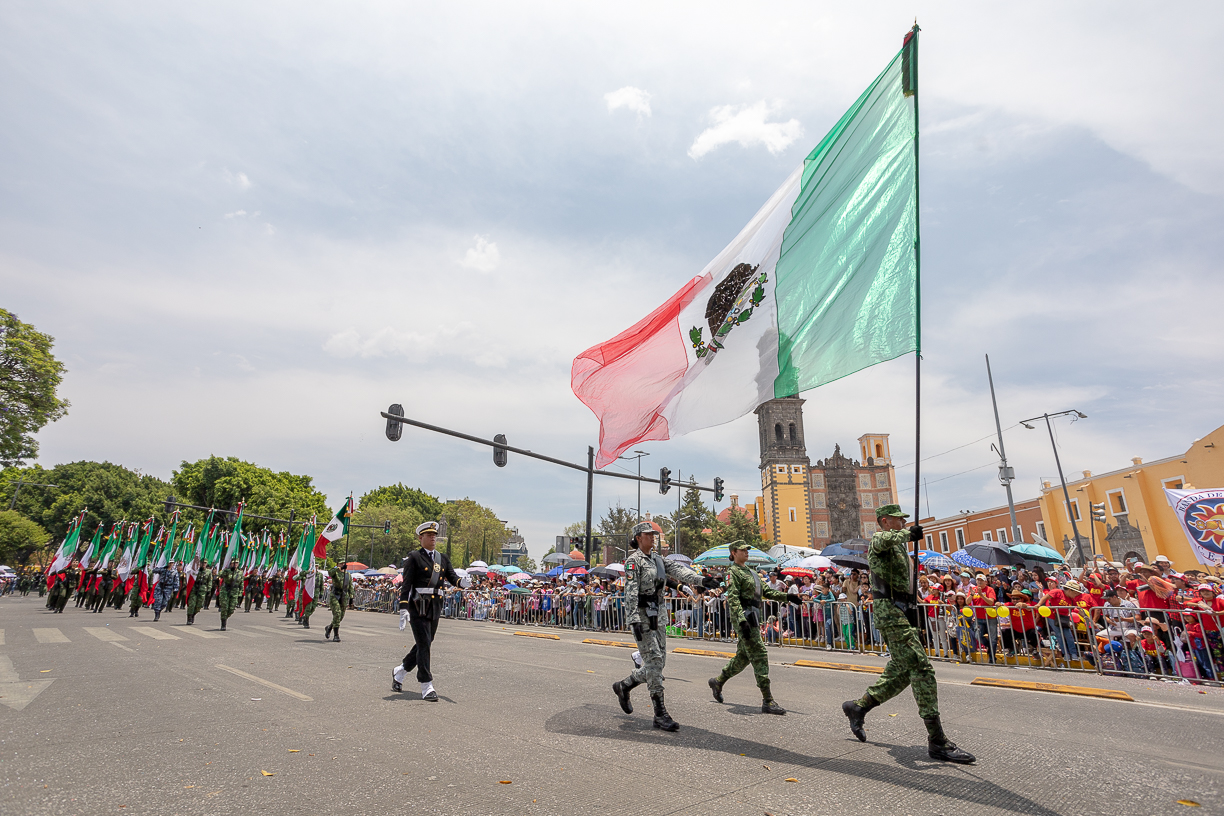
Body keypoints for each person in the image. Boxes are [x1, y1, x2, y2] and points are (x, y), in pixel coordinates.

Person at [842, 504, 974, 764]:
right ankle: (937, 740)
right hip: (889, 610)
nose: (903, 522)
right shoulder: (882, 538)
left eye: (904, 520)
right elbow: (885, 539)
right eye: (897, 519)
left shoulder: (901, 548)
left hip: (902, 608)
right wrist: (909, 534)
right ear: (884, 521)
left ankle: (859, 707)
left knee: (902, 670)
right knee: (921, 668)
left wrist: (912, 606)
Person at [613, 522, 718, 731]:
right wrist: (632, 619)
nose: (653, 537)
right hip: (642, 616)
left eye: (654, 534)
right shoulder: (634, 562)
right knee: (654, 661)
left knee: (658, 665)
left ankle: (624, 686)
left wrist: (702, 580)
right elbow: (631, 591)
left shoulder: (658, 559)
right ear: (638, 538)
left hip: (658, 615)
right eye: (648, 534)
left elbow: (680, 571)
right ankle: (660, 713)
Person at [708, 541, 795, 715]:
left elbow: (766, 592)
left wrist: (788, 597)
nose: (747, 552)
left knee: (743, 658)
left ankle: (718, 681)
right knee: (760, 654)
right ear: (733, 553)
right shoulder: (733, 572)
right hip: (745, 617)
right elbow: (732, 598)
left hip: (753, 616)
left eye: (748, 550)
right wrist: (741, 621)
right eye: (743, 550)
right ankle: (768, 700)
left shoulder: (751, 572)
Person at [393, 521, 470, 701]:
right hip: (418, 606)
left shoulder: (442, 558)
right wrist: (403, 608)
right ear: (421, 538)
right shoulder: (414, 557)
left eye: (434, 535)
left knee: (425, 643)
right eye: (429, 535)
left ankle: (401, 671)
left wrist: (462, 583)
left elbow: (452, 577)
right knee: (424, 644)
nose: (433, 538)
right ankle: (426, 684)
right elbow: (407, 584)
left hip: (435, 607)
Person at [324, 560, 351, 643]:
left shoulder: (348, 574)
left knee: (340, 616)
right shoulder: (335, 572)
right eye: (341, 563)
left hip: (344, 596)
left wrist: (352, 599)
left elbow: (350, 586)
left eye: (344, 563)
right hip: (335, 595)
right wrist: (338, 568)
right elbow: (330, 573)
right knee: (337, 614)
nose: (343, 565)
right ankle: (336, 635)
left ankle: (329, 627)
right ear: (337, 564)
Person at [217, 562, 243, 631]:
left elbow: (241, 583)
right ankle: (223, 624)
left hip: (234, 592)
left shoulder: (239, 573)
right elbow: (220, 575)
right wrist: (226, 570)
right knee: (224, 607)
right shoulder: (227, 571)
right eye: (233, 563)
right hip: (225, 590)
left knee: (231, 609)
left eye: (237, 563)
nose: (235, 564)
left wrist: (240, 593)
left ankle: (225, 618)